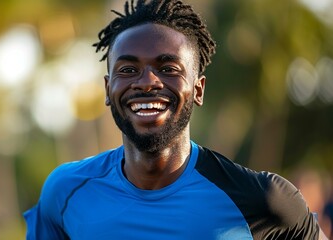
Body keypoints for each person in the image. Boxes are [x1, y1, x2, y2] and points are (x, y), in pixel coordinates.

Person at [24, 0, 328, 239]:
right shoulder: (65, 191)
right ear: (108, 89)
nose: (147, 82)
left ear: (198, 89)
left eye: (168, 68)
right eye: (128, 70)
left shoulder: (263, 200)